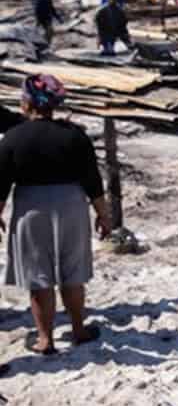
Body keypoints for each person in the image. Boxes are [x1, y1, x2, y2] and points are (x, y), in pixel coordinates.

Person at [0, 75, 112, 355]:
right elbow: (93, 181)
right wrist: (103, 215)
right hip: (71, 204)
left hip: (31, 207)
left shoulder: (13, 138)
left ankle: (45, 339)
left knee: (39, 277)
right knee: (73, 273)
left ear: (27, 104)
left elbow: (1, 185)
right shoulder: (75, 135)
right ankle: (79, 330)